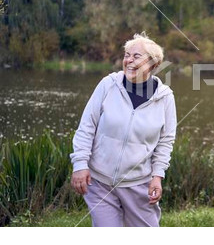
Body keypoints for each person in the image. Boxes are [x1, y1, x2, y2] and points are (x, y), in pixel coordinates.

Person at [70, 32, 177, 227]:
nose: (128, 60)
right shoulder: (108, 85)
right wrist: (80, 164)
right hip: (100, 182)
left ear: (153, 63)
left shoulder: (165, 97)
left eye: (136, 56)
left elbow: (165, 141)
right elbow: (87, 126)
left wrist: (157, 176)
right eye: (127, 55)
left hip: (139, 185)